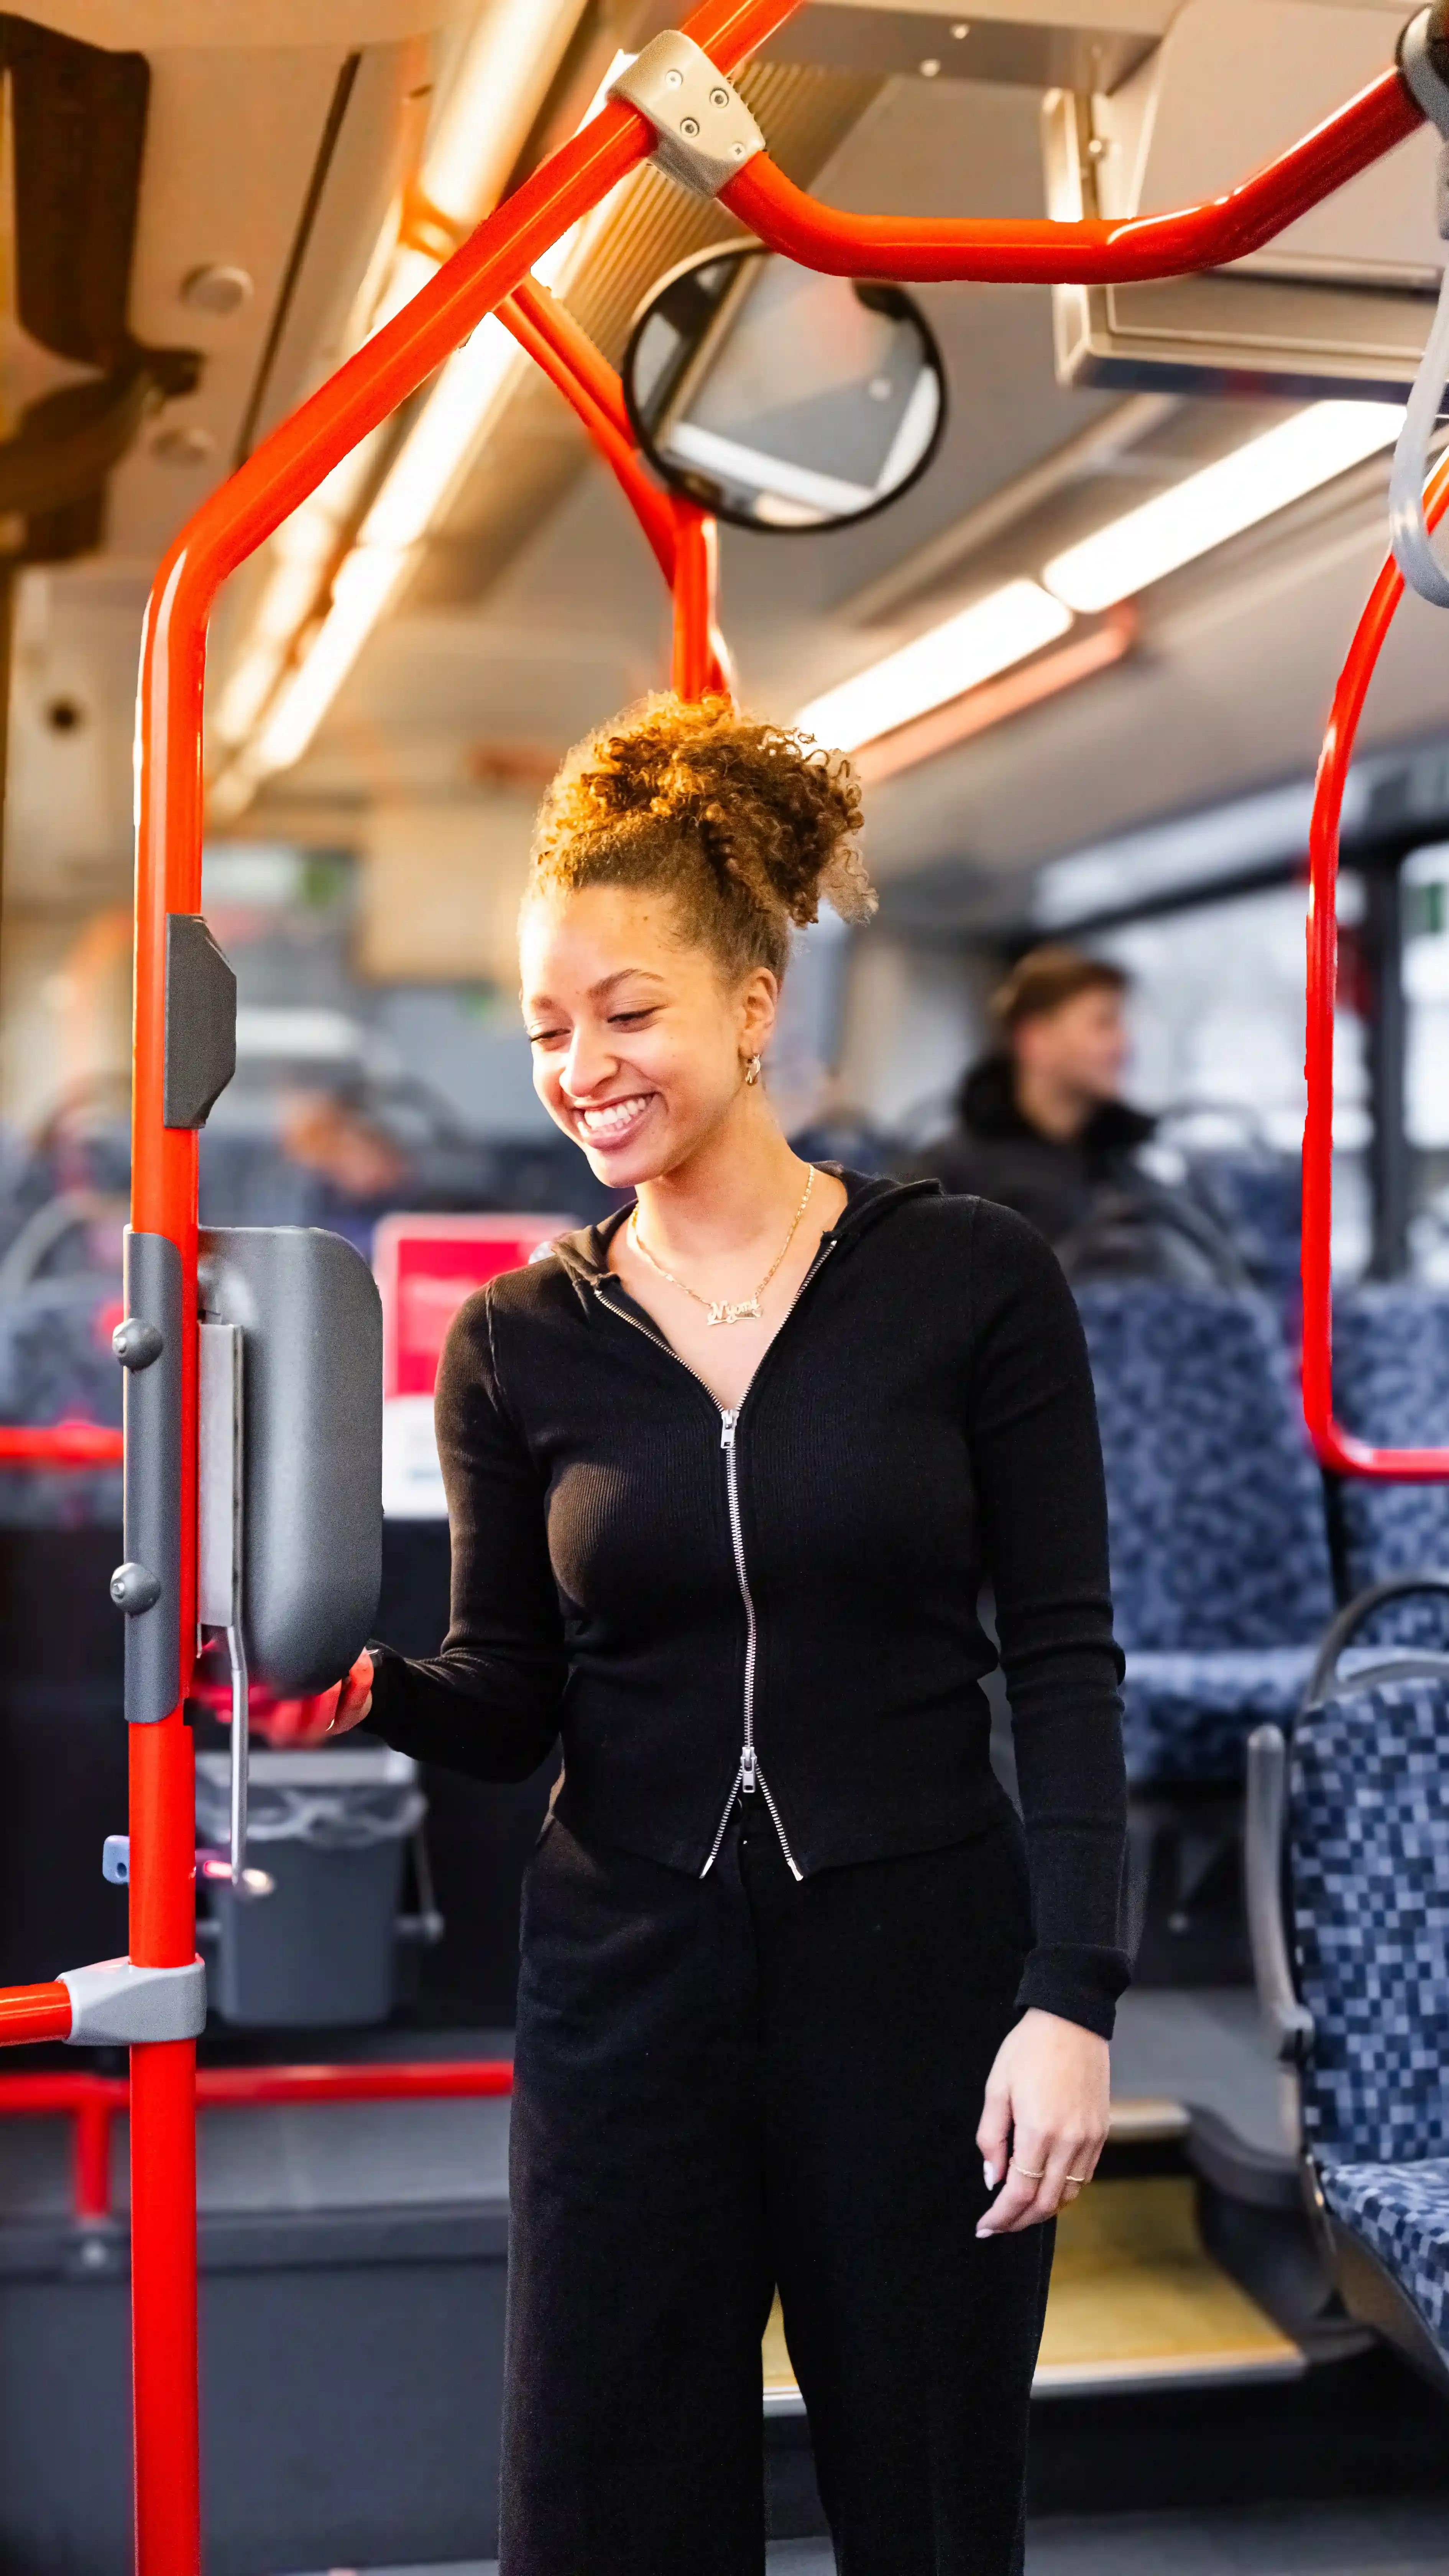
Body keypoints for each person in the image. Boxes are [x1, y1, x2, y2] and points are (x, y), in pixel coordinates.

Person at [313, 696, 1128, 2576]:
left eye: (629, 1012)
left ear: (756, 1007)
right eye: (545, 1029)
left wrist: (1072, 1995)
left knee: (928, 2512)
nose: (581, 1067)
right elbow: (511, 1699)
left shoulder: (972, 1282)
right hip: (627, 1986)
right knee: (610, 2519)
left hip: (922, 1967)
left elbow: (1068, 1657)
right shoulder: (518, 1341)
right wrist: (365, 1691)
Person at [915, 946, 1154, 1248]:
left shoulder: (1129, 1168)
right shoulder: (948, 1179)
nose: (1124, 1046)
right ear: (1036, 1040)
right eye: (1104, 1024)